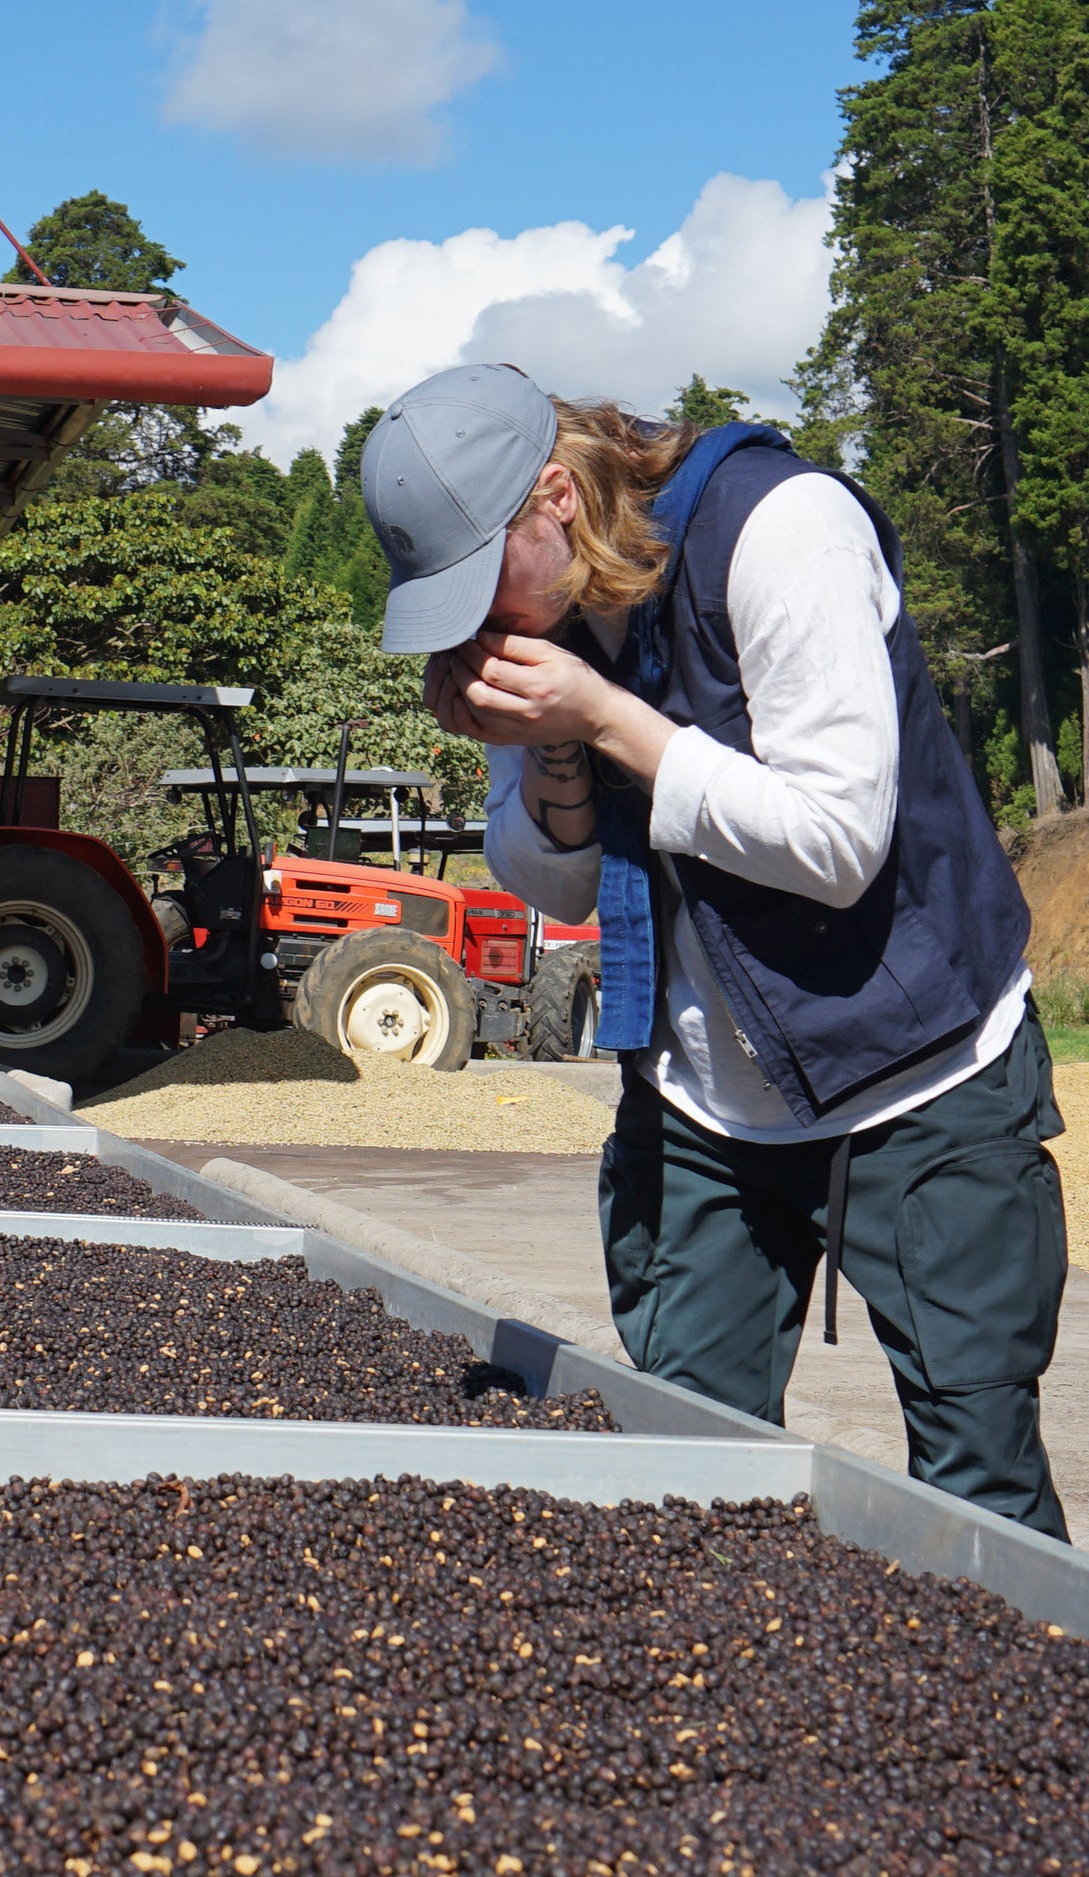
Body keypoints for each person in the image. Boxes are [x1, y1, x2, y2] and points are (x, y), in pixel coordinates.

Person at [360, 363, 1069, 1541]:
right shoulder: (534, 620)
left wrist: (602, 718)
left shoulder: (779, 528)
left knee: (975, 1494)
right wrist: (547, 754)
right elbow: (559, 885)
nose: (473, 624)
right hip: (702, 1101)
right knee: (679, 1473)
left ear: (555, 498)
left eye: (478, 582)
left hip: (917, 1073)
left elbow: (837, 841)